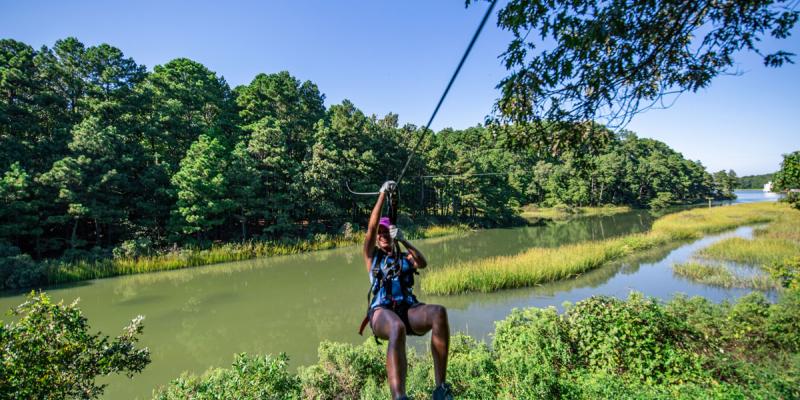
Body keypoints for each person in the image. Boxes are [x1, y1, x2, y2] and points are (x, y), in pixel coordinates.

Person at [362, 180, 452, 400]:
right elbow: (371, 228)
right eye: (380, 234)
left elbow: (422, 263)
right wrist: (383, 194)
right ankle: (399, 396)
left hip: (408, 309)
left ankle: (440, 388)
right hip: (381, 312)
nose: (382, 236)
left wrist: (404, 239)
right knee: (396, 327)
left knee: (439, 312)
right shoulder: (372, 256)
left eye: (387, 233)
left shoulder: (403, 257)